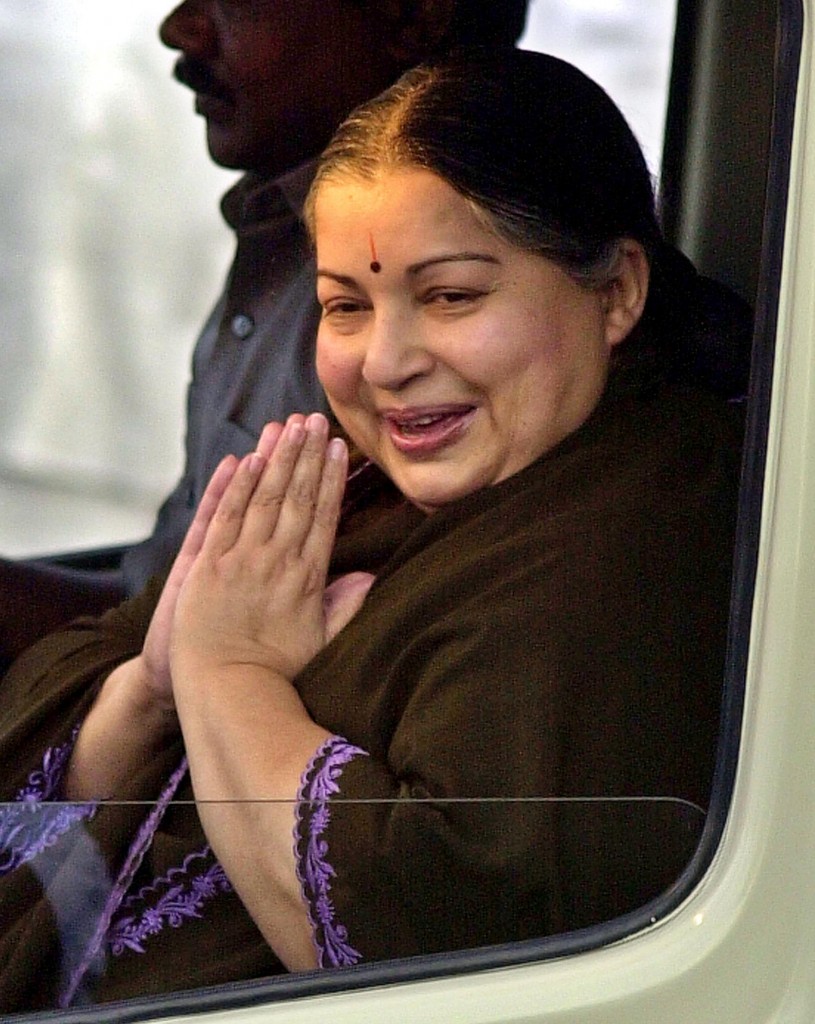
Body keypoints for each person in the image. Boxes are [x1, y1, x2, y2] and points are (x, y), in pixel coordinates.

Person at [0, 49, 743, 1011]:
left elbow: (430, 937)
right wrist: (150, 686)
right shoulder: (353, 490)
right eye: (344, 306)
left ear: (616, 294)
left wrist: (231, 678)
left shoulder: (637, 532)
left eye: (450, 296)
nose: (385, 363)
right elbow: (96, 690)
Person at [0, 0, 532, 670]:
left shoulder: (461, 349)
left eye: (235, 2)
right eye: (344, 304)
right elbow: (158, 618)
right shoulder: (282, 231)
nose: (181, 28)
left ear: (412, 15)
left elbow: (218, 660)